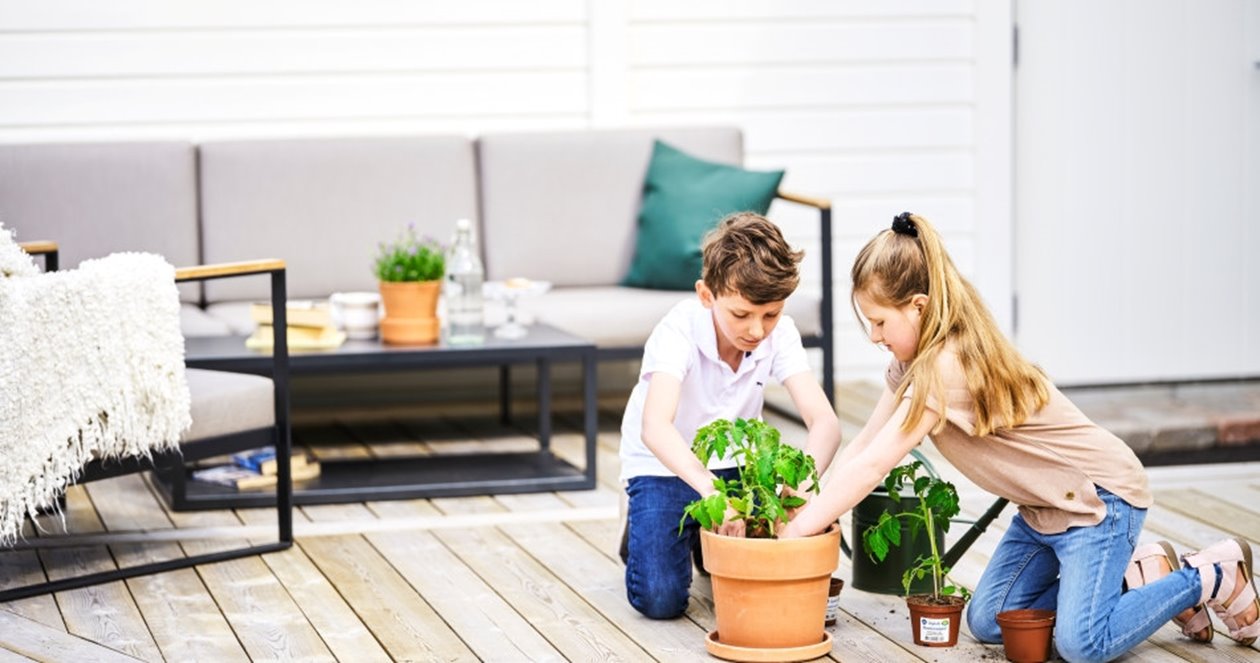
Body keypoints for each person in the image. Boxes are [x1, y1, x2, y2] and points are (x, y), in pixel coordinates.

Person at [778, 212, 1259, 661]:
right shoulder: (912, 364)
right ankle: (1137, 576)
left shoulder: (948, 367)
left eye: (880, 322)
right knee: (991, 622)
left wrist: (799, 531)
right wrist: (812, 499)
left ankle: (1209, 575)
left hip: (1099, 500)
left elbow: (874, 466)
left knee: (1082, 644)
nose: (875, 336)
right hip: (1043, 510)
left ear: (918, 307)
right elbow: (863, 445)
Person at [619, 211, 842, 619]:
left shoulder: (782, 334)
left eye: (770, 314)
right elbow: (655, 426)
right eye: (741, 314)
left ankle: (697, 538)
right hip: (663, 466)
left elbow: (825, 424)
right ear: (707, 296)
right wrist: (715, 495)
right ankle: (646, 522)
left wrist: (803, 484)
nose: (757, 330)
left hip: (735, 466)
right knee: (660, 599)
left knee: (746, 566)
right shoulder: (677, 331)